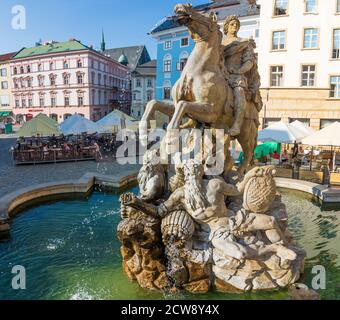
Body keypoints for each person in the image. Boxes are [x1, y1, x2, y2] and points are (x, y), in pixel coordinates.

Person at [222, 15, 262, 137]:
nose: (235, 26)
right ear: (226, 27)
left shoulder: (244, 43)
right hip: (220, 74)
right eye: (232, 24)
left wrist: (239, 71)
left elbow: (249, 61)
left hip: (236, 76)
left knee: (239, 91)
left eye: (237, 25)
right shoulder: (220, 43)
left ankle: (237, 125)